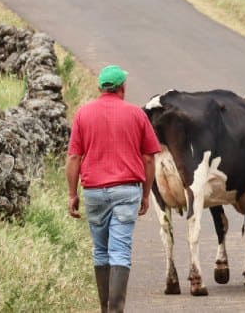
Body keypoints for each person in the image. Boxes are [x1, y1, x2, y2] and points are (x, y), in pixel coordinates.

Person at [66, 64, 160, 313]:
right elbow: (149, 158)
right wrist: (147, 193)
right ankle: (116, 309)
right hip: (126, 191)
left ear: (100, 88)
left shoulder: (83, 114)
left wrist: (72, 194)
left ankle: (105, 309)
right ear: (122, 87)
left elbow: (74, 157)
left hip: (94, 192)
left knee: (101, 251)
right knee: (120, 250)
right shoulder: (136, 114)